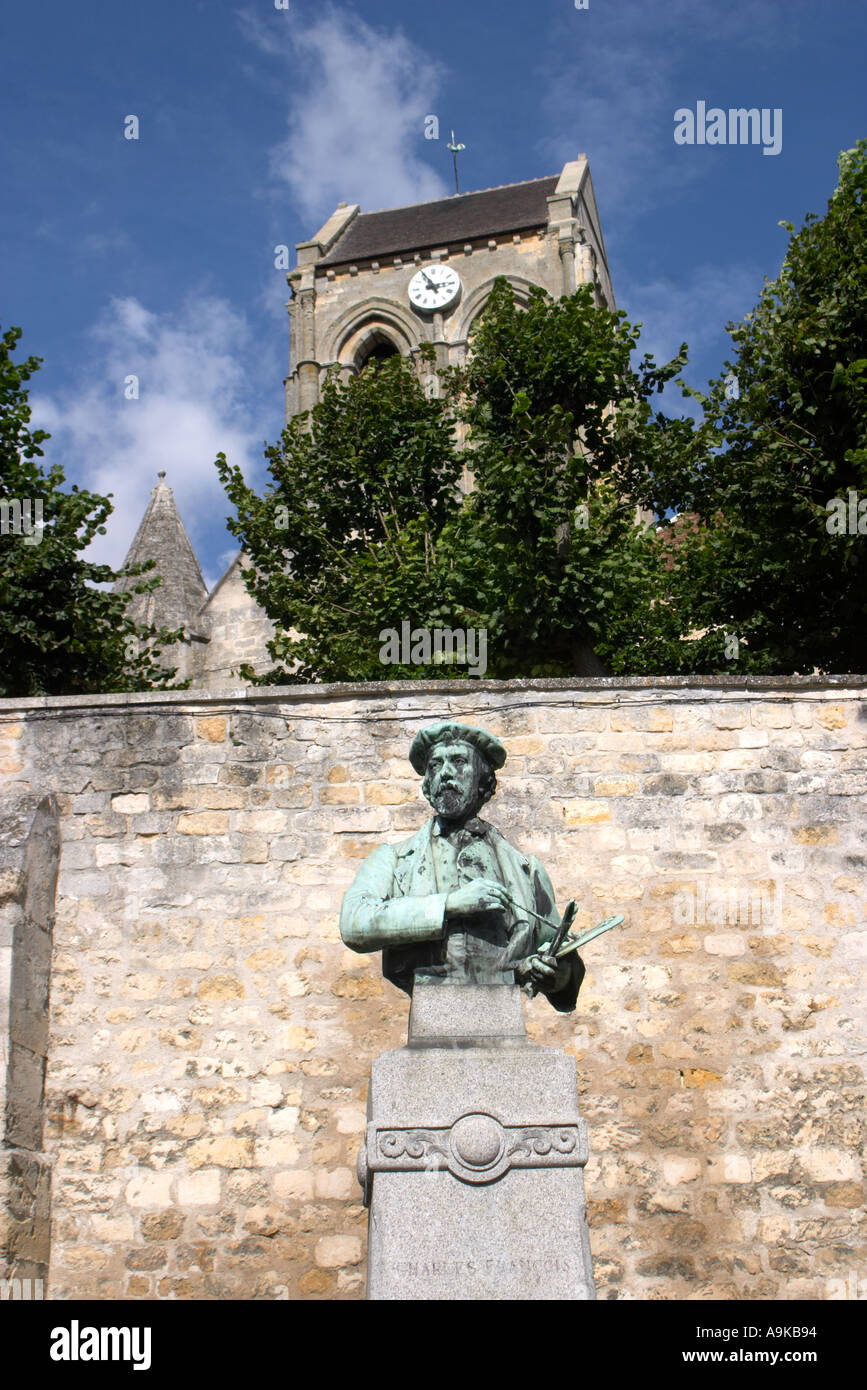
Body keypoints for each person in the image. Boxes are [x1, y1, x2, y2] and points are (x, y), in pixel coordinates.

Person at [339, 721, 584, 1011]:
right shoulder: (394, 860)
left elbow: (564, 965)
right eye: (435, 765)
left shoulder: (525, 870)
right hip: (431, 1014)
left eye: (458, 761)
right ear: (428, 784)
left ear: (482, 779)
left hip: (504, 1022)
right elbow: (354, 923)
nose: (445, 773)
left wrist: (554, 974)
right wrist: (450, 905)